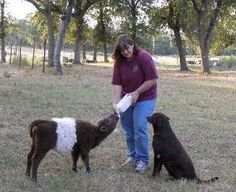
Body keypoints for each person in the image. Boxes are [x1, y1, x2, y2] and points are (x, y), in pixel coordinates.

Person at [111, 34, 158, 172]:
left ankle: (143, 160)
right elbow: (117, 84)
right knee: (128, 129)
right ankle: (133, 156)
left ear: (132, 44)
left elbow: (152, 80)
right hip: (127, 99)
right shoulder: (119, 62)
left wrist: (137, 92)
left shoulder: (144, 57)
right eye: (122, 50)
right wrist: (116, 102)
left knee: (139, 127)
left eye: (127, 48)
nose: (126, 52)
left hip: (145, 97)